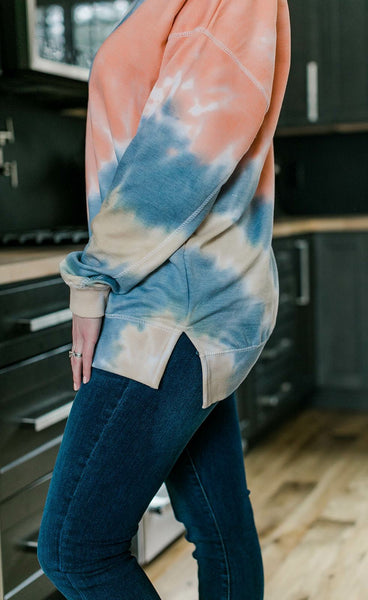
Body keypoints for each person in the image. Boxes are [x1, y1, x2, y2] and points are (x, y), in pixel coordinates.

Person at [37, 0, 291, 597]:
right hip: (181, 293)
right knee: (220, 529)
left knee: (76, 550)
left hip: (174, 304)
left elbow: (184, 155)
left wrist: (95, 276)